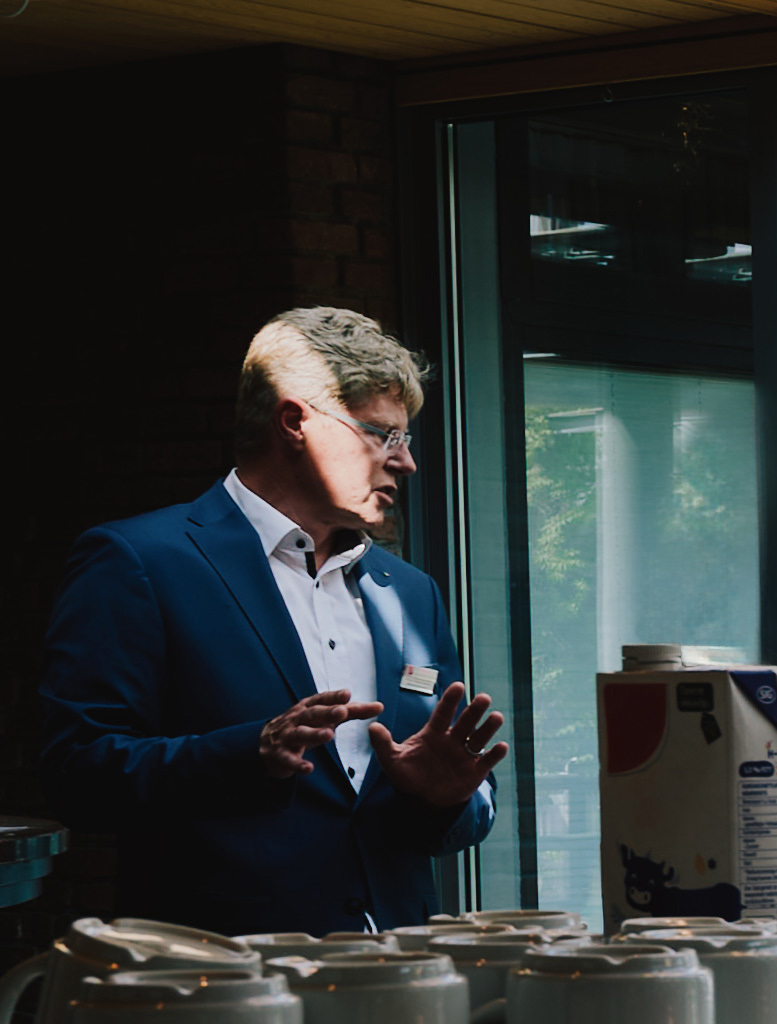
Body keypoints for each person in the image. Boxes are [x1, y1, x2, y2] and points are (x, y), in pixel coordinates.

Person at [36, 307, 504, 935]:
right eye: (383, 435)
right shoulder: (140, 561)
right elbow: (76, 773)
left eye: (408, 439)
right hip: (223, 981)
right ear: (296, 422)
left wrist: (444, 798)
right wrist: (246, 756)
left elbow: (466, 800)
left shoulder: (410, 593)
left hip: (396, 981)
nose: (407, 462)